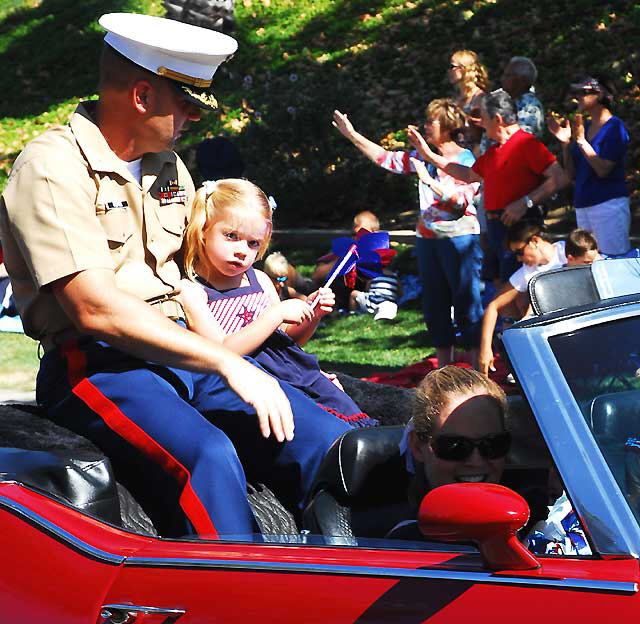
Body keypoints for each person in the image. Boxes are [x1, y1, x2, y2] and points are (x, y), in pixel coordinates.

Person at [0, 13, 351, 538]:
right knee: (207, 457)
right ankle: (236, 599)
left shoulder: (168, 165)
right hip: (97, 363)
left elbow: (196, 273)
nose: (196, 118)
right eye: (188, 103)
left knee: (324, 438)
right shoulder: (52, 166)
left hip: (184, 352)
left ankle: (338, 579)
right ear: (142, 95)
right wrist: (227, 364)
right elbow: (92, 308)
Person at [178, 178, 377, 427]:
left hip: (296, 374)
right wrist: (275, 315)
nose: (242, 250)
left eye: (253, 243)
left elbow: (286, 342)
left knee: (351, 427)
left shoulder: (259, 280)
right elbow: (222, 353)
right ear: (203, 230)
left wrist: (312, 316)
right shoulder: (194, 290)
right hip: (256, 385)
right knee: (321, 430)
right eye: (231, 236)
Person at [333, 99, 482, 367]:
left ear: (447, 126)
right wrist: (352, 135)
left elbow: (461, 201)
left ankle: (476, 367)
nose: (426, 125)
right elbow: (384, 157)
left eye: (431, 122)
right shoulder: (419, 157)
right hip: (428, 240)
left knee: (465, 303)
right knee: (435, 304)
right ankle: (445, 368)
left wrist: (429, 182)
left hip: (460, 239)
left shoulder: (465, 159)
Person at [409, 89, 568, 287]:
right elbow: (467, 175)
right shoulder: (494, 151)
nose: (481, 124)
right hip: (496, 229)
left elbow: (559, 177)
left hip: (519, 229)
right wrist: (428, 155)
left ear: (498, 119)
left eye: (484, 118)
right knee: (498, 283)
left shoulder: (526, 144)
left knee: (517, 288)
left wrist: (525, 202)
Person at [390, 366, 509, 539]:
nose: (476, 461)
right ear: (417, 446)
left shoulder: (541, 521)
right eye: (455, 446)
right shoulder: (410, 544)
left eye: (492, 444)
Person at [547, 76, 630, 256]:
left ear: (600, 95)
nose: (578, 97)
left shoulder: (615, 127)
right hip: (583, 204)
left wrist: (582, 142)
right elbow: (571, 174)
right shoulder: (584, 127)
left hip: (608, 204)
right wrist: (565, 144)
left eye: (583, 92)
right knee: (586, 261)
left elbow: (603, 170)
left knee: (613, 261)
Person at [478, 221, 568, 376]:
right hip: (548, 334)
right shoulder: (528, 271)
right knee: (514, 301)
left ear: (535, 241)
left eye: (520, 252)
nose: (519, 259)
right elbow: (493, 306)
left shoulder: (567, 251)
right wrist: (485, 350)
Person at [447, 49, 490, 152]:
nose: (448, 71)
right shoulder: (456, 97)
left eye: (452, 67)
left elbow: (480, 135)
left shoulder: (479, 97)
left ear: (463, 69)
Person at [501, 56, 544, 138]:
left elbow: (521, 139)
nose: (503, 79)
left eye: (508, 75)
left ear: (522, 81)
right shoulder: (508, 100)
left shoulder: (531, 106)